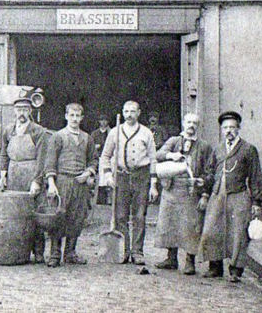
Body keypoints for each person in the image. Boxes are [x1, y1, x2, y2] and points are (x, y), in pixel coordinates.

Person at [199, 111, 262, 282]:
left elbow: (256, 175)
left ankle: (236, 270)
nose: (229, 131)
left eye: (232, 127)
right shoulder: (218, 149)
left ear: (238, 129)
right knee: (212, 231)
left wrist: (256, 201)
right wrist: (204, 189)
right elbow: (210, 172)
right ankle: (215, 267)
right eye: (225, 127)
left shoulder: (248, 149)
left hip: (239, 194)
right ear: (221, 130)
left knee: (238, 233)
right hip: (217, 194)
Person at [154, 112, 216, 275]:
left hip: (191, 192)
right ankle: (171, 258)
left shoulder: (204, 146)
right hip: (171, 190)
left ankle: (190, 261)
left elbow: (210, 171)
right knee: (169, 223)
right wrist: (171, 155)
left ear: (198, 126)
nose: (191, 126)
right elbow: (158, 154)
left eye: (194, 123)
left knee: (191, 227)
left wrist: (203, 190)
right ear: (183, 123)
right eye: (188, 122)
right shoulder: (173, 141)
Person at [100, 100, 159, 265]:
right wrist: (108, 175)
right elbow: (105, 156)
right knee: (120, 216)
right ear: (122, 112)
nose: (129, 115)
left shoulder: (146, 133)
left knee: (139, 216)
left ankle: (137, 252)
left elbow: (153, 159)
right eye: (126, 111)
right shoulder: (114, 132)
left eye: (132, 111)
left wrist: (153, 184)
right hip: (121, 176)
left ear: (139, 113)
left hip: (141, 176)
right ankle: (123, 251)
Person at [41, 103, 97, 267]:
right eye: (71, 115)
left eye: (77, 115)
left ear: (82, 118)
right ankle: (54, 254)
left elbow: (94, 160)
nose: (74, 119)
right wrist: (51, 183)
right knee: (58, 217)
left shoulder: (87, 138)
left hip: (80, 183)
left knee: (77, 217)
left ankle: (70, 253)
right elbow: (50, 162)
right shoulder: (57, 137)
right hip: (62, 182)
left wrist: (87, 173)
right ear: (66, 116)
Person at [0, 92, 50, 263]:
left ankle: (39, 252)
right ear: (14, 111)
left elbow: (42, 158)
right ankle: (19, 250)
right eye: (18, 109)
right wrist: (3, 174)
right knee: (16, 214)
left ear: (30, 112)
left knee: (35, 214)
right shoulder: (8, 130)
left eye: (25, 110)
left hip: (31, 171)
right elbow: (4, 154)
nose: (21, 113)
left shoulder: (38, 131)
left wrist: (37, 180)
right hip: (14, 173)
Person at [91, 117, 112, 205]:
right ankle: (98, 200)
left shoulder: (111, 132)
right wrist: (96, 147)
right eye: (102, 120)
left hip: (108, 159)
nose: (103, 122)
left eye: (105, 120)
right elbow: (91, 146)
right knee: (98, 180)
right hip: (98, 158)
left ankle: (109, 200)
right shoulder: (95, 133)